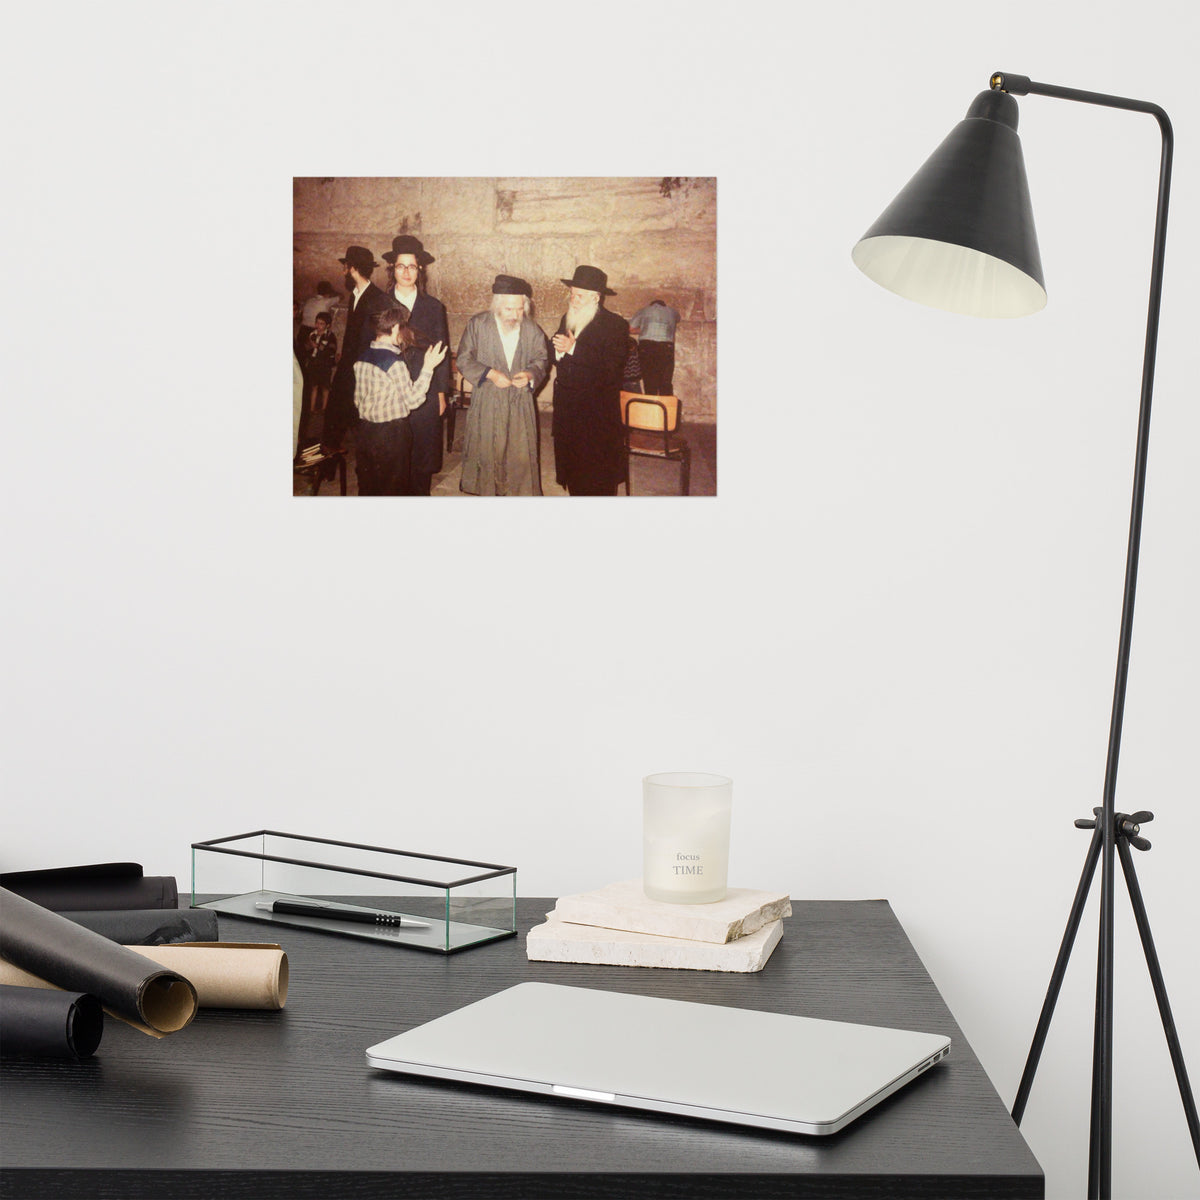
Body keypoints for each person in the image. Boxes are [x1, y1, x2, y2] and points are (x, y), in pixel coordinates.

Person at [455, 275, 550, 496]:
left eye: (519, 309)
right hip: (488, 398)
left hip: (519, 400)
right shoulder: (478, 324)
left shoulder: (531, 329)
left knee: (519, 452)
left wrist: (529, 374)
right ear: (497, 305)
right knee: (488, 449)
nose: (514, 315)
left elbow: (542, 359)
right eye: (509, 309)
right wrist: (489, 373)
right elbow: (464, 359)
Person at [550, 265, 629, 496]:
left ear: (596, 297)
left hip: (595, 413)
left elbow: (612, 367)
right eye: (572, 294)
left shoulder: (615, 325)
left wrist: (574, 349)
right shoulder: (568, 318)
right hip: (567, 409)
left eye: (580, 296)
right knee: (572, 470)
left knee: (596, 475)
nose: (573, 300)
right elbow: (558, 351)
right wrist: (557, 351)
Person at [352, 307, 447, 496]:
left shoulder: (362, 358)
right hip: (391, 435)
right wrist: (428, 367)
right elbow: (412, 400)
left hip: (366, 432)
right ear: (395, 328)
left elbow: (358, 400)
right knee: (393, 486)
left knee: (369, 484)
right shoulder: (395, 362)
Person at [381, 235, 450, 495]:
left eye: (412, 266)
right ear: (392, 269)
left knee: (422, 452)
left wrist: (441, 393)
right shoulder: (380, 304)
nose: (406, 272)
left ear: (420, 269)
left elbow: (441, 349)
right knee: (393, 453)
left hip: (425, 387)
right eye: (401, 266)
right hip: (390, 389)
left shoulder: (433, 307)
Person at [322, 246, 392, 457]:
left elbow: (380, 334)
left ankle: (353, 448)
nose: (343, 269)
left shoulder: (377, 297)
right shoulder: (355, 294)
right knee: (339, 401)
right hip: (350, 360)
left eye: (345, 265)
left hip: (365, 362)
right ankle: (332, 445)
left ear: (352, 268)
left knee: (354, 406)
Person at [629, 298, 681, 395]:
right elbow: (678, 319)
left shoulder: (644, 310)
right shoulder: (673, 312)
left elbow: (630, 329)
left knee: (649, 381)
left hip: (647, 346)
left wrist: (644, 329)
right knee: (665, 382)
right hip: (666, 346)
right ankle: (666, 403)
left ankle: (651, 402)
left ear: (651, 305)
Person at [301, 313, 337, 415]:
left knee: (325, 387)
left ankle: (324, 409)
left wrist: (317, 346)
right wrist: (310, 346)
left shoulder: (330, 336)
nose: (318, 325)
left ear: (327, 325)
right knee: (313, 386)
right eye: (317, 322)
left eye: (321, 324)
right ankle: (312, 409)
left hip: (325, 364)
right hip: (313, 363)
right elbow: (306, 348)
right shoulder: (312, 334)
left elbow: (331, 350)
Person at [295, 281, 340, 354]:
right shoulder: (327, 301)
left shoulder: (309, 300)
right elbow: (342, 296)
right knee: (314, 354)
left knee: (300, 355)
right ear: (328, 292)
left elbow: (299, 317)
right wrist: (333, 292)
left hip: (302, 331)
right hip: (314, 332)